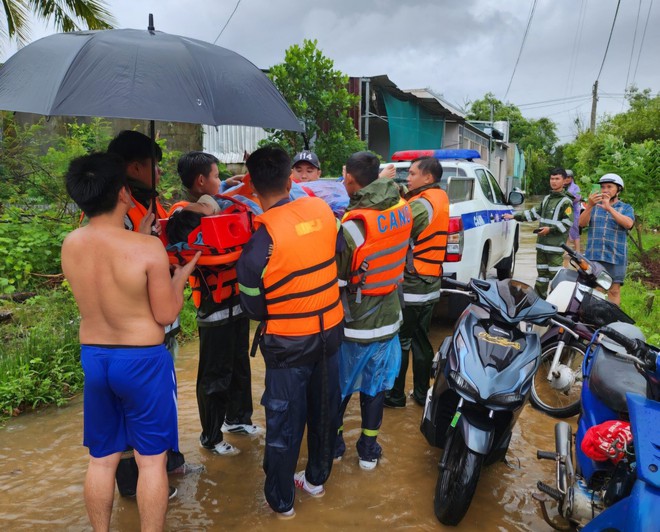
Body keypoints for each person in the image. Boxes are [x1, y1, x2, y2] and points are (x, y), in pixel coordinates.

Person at [61, 152, 200, 531]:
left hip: (95, 358)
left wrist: (137, 239)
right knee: (151, 460)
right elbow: (166, 314)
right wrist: (180, 276)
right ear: (124, 192)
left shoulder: (70, 244)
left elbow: (109, 272)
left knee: (103, 459)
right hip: (141, 361)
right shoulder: (147, 250)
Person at [236, 146, 344, 519]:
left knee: (283, 422)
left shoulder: (258, 244)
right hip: (330, 332)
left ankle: (282, 504)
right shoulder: (322, 211)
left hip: (288, 345)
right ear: (289, 180)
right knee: (325, 409)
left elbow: (252, 307)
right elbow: (338, 252)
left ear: (250, 186)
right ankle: (316, 480)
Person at [106, 131, 202, 497]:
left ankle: (170, 462)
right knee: (136, 410)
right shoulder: (118, 215)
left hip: (160, 326)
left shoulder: (146, 204)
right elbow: (125, 273)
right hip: (139, 332)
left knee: (164, 401)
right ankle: (134, 486)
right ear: (134, 167)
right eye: (154, 166)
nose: (160, 173)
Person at [173, 151, 262, 459]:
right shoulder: (183, 214)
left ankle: (238, 419)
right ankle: (211, 436)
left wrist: (226, 187)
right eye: (215, 175)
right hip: (214, 309)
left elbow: (219, 202)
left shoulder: (222, 201)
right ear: (200, 181)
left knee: (239, 366)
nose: (219, 181)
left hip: (237, 305)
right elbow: (198, 212)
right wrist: (219, 196)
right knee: (214, 376)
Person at [335, 151, 412, 469]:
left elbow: (338, 279)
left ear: (349, 179)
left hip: (354, 324)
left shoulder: (351, 228)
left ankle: (335, 444)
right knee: (375, 386)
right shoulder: (401, 208)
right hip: (389, 320)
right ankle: (368, 450)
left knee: (338, 389)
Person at [385, 156, 449, 408]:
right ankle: (422, 394)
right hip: (430, 282)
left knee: (401, 340)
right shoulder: (439, 198)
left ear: (428, 178)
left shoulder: (422, 204)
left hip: (412, 283)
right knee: (422, 340)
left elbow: (396, 228)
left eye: (412, 174)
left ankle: (395, 395)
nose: (407, 177)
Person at [504, 168, 573, 298]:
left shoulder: (566, 202)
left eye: (557, 179)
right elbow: (533, 214)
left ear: (564, 181)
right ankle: (539, 303)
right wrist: (514, 216)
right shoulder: (547, 199)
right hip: (541, 246)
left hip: (555, 248)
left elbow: (567, 223)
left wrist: (550, 229)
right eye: (552, 178)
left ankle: (557, 306)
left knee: (556, 278)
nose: (554, 181)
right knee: (541, 278)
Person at [579, 173, 634, 306]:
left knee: (614, 291)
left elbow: (628, 224)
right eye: (603, 187)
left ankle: (612, 321)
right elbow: (581, 223)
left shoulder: (626, 208)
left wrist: (609, 208)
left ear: (618, 189)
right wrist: (590, 206)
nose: (605, 190)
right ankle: (593, 321)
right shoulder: (593, 206)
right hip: (595, 255)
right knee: (596, 290)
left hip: (616, 255)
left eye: (609, 187)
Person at [564, 169, 582, 252]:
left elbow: (578, 198)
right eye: (565, 177)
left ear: (571, 178)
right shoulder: (561, 186)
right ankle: (566, 252)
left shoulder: (575, 187)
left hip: (573, 212)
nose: (566, 179)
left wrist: (568, 200)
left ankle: (577, 251)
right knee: (565, 232)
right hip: (564, 213)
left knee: (575, 232)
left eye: (568, 177)